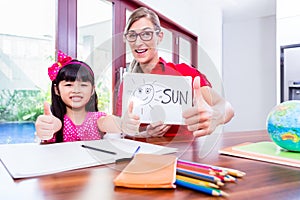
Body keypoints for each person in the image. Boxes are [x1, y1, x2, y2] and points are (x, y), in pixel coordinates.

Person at [116, 7, 234, 138]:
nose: (138, 42)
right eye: (132, 35)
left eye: (146, 34)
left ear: (159, 37)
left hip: (182, 154)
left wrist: (215, 116)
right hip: (142, 155)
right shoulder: (127, 85)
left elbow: (227, 108)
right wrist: (146, 134)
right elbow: (124, 130)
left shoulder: (183, 73)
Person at [35, 51, 139, 143]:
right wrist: (46, 128)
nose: (76, 90)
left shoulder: (96, 120)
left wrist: (122, 123)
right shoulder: (56, 122)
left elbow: (108, 122)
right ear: (56, 90)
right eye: (68, 85)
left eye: (83, 85)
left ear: (92, 90)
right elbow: (54, 126)